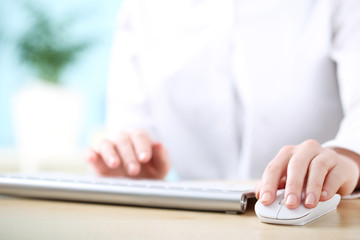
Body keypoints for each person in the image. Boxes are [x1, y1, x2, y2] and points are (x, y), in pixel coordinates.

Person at [86, 0, 360, 210]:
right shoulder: (141, 10)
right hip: (194, 220)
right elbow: (129, 129)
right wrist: (130, 164)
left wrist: (348, 156)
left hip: (315, 214)